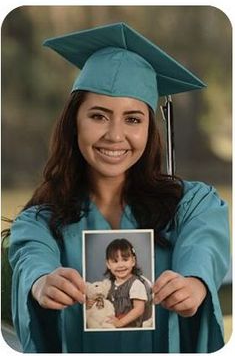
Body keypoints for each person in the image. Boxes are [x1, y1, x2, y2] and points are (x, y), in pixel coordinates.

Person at [8, 22, 230, 353]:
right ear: (74, 123)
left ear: (149, 129)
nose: (115, 135)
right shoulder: (40, 220)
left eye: (133, 119)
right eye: (98, 116)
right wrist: (41, 283)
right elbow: (32, 258)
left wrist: (194, 283)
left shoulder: (193, 204)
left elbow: (204, 246)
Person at [104, 238, 152, 328]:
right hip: (113, 327)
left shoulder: (136, 284)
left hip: (130, 328)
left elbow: (139, 309)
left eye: (125, 260)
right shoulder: (109, 284)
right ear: (108, 264)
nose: (120, 265)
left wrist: (120, 323)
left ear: (133, 261)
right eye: (115, 261)